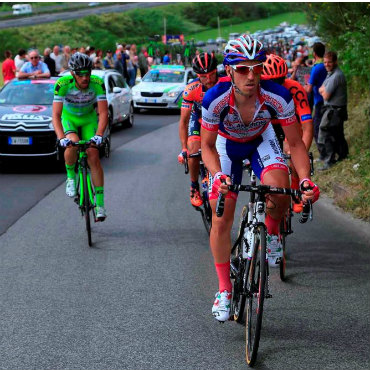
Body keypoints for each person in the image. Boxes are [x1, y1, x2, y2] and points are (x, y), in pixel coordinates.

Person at [200, 35, 320, 322]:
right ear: (229, 70)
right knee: (221, 213)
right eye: (243, 68)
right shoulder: (214, 98)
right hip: (226, 146)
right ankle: (225, 289)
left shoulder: (278, 95)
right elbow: (206, 146)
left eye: (257, 67)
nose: (251, 75)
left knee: (280, 189)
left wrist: (304, 179)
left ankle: (272, 231)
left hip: (260, 140)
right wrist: (217, 176)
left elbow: (297, 144)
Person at [52, 52, 108, 220]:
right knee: (72, 143)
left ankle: (100, 205)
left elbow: (104, 113)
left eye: (88, 73)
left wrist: (99, 135)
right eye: (80, 74)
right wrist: (62, 137)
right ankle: (71, 176)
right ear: (72, 73)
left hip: (88, 119)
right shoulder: (62, 84)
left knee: (93, 154)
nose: (85, 77)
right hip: (69, 119)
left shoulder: (97, 83)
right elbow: (56, 115)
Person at [261, 53, 314, 213]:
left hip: (289, 123)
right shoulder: (257, 89)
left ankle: (296, 187)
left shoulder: (295, 88)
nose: (277, 85)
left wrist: (300, 154)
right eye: (272, 81)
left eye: (280, 80)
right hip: (267, 125)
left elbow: (307, 126)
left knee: (294, 155)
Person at [178, 52, 219, 207]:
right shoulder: (191, 89)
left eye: (211, 75)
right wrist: (183, 148)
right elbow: (183, 121)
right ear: (197, 75)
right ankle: (194, 186)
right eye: (203, 76)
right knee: (193, 150)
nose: (208, 80)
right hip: (199, 119)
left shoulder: (225, 83)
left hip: (219, 121)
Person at [318, 51, 349, 170]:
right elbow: (322, 88)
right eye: (325, 62)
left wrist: (323, 90)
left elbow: (325, 95)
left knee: (325, 132)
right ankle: (343, 155)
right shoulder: (330, 73)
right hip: (333, 109)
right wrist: (323, 90)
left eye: (329, 62)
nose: (326, 64)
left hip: (335, 110)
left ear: (335, 62)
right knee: (337, 133)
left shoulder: (336, 75)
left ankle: (329, 160)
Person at [304, 42, 327, 161]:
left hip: (319, 101)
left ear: (314, 53)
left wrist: (301, 86)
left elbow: (308, 89)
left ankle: (324, 154)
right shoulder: (326, 64)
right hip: (328, 99)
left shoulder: (316, 68)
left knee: (316, 129)